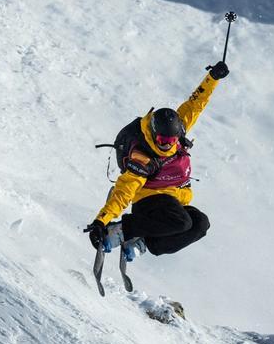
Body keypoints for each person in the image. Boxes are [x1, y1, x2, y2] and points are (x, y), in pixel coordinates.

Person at [85, 60, 230, 260]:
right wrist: (102, 221)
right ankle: (121, 231)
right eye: (162, 140)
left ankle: (145, 241)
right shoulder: (143, 156)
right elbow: (124, 191)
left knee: (200, 224)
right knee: (181, 222)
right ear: (154, 134)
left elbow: (196, 104)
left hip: (171, 199)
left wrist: (213, 78)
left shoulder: (178, 131)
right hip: (148, 199)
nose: (167, 145)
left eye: (171, 140)